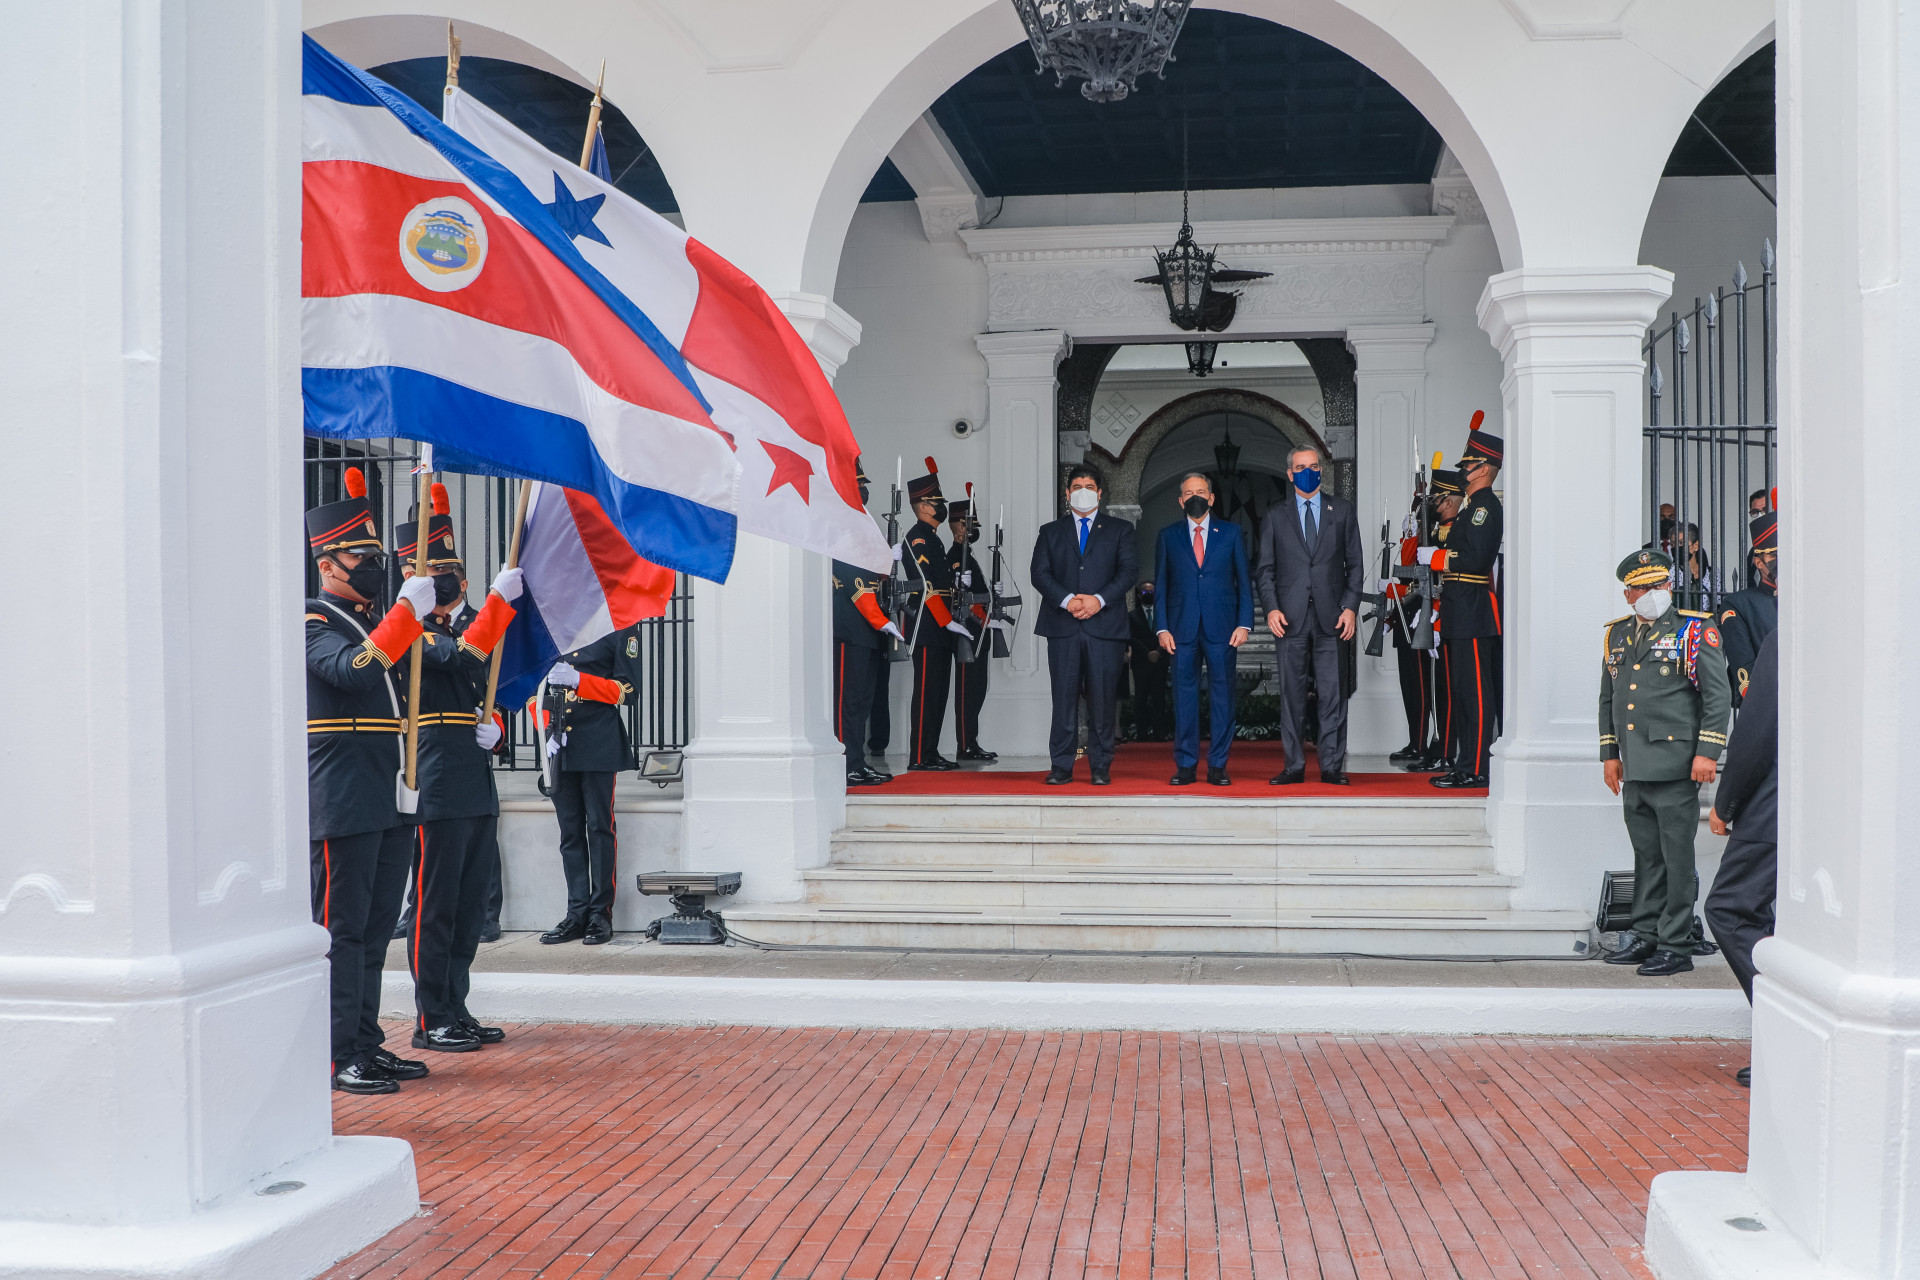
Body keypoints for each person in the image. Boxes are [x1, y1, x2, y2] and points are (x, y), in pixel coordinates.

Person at [305, 466, 438, 1094]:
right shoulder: (313, 621)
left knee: (377, 928)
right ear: (328, 564)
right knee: (342, 932)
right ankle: (337, 1053)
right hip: (343, 795)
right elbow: (353, 671)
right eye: (360, 557)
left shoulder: (369, 619)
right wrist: (406, 614)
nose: (372, 567)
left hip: (385, 792)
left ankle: (364, 1040)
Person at [391, 486, 522, 1053]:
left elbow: (483, 690)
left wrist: (497, 735)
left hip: (472, 780)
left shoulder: (453, 629)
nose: (442, 580)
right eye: (433, 571)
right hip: (436, 780)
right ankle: (431, 1017)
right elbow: (466, 656)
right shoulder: (407, 632)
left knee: (468, 908)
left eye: (449, 571)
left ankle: (457, 1006)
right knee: (435, 906)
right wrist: (498, 603)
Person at [1598, 548, 1732, 976]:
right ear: (1628, 594)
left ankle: (1676, 944)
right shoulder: (1618, 635)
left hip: (1676, 764)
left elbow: (1718, 696)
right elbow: (1609, 699)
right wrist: (1610, 755)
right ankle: (1646, 934)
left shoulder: (1695, 630)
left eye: (1659, 584)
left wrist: (1708, 752)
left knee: (1676, 858)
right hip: (1634, 766)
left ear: (1669, 585)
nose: (1654, 593)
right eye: (1643, 588)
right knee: (1646, 855)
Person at [1254, 446, 1365, 785]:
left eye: (1314, 466)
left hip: (1333, 617)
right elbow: (1265, 570)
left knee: (1333, 694)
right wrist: (1271, 608)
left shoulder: (1341, 510)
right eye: (1301, 467)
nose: (1308, 472)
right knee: (1292, 695)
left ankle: (1331, 766)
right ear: (1290, 474)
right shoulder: (1275, 516)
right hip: (1290, 619)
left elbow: (1355, 564)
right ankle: (1294, 766)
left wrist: (1350, 607)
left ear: (1321, 470)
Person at [1030, 464, 1137, 785]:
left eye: (1089, 486)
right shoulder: (1050, 531)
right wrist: (1067, 600)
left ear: (1100, 493)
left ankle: (1100, 765)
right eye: (1077, 487)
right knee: (1063, 698)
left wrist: (1098, 600)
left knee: (1102, 699)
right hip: (1062, 626)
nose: (1083, 492)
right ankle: (1061, 766)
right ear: (1067, 493)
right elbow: (1039, 573)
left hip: (1105, 627)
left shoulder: (1120, 530)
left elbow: (1128, 572)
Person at [1412, 426, 1504, 789]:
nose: (1463, 470)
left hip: (1473, 611)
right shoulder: (1471, 509)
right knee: (1463, 694)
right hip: (1459, 609)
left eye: (1468, 465)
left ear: (1484, 468)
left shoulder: (1483, 508)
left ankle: (1477, 767)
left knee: (1476, 694)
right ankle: (1466, 762)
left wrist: (1437, 558)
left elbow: (1476, 559)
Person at [1706, 626, 1778, 1087]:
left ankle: (1786, 1033)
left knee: (1730, 908)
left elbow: (1757, 731)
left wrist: (1726, 802)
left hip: (1775, 804)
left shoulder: (1792, 633)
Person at [537, 626, 640, 946]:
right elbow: (535, 689)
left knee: (599, 827)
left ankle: (600, 914)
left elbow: (628, 691)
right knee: (569, 833)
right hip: (559, 743)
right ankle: (576, 913)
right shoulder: (554, 625)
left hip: (598, 741)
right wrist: (545, 727)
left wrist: (580, 681)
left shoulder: (620, 628)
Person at [1154, 472, 1255, 785]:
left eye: (1200, 491)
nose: (1195, 497)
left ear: (1211, 498)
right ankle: (1185, 765)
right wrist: (1161, 628)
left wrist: (1244, 623)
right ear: (1180, 500)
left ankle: (1217, 766)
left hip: (1222, 628)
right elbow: (1161, 585)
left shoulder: (1231, 533)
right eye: (1188, 493)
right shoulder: (1168, 536)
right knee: (1184, 699)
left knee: (1223, 698)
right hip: (1180, 630)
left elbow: (1244, 581)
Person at [902, 457, 973, 771]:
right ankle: (919, 755)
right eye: (936, 502)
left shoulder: (933, 538)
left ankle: (930, 752)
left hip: (941, 625)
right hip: (928, 624)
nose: (941, 507)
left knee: (939, 692)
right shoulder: (918, 537)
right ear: (922, 506)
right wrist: (946, 621)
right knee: (927, 692)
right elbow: (927, 585)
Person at [833, 461, 902, 787]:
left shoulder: (860, 525)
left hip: (867, 628)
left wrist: (889, 559)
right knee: (848, 702)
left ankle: (857, 762)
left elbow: (874, 575)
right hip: (850, 626)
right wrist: (880, 620)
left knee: (862, 701)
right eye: (857, 485)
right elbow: (854, 580)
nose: (863, 491)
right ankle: (845, 764)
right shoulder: (842, 526)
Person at [948, 497, 997, 762]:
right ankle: (965, 744)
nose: (972, 529)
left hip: (979, 630)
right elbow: (956, 596)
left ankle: (972, 741)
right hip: (968, 630)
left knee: (977, 688)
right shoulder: (956, 556)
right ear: (957, 525)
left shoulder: (969, 554)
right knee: (967, 691)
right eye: (968, 524)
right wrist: (960, 585)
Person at [1718, 509, 1778, 706]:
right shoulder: (1739, 604)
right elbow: (1745, 671)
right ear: (1758, 562)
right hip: (1767, 707)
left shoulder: (1808, 601)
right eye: (1774, 555)